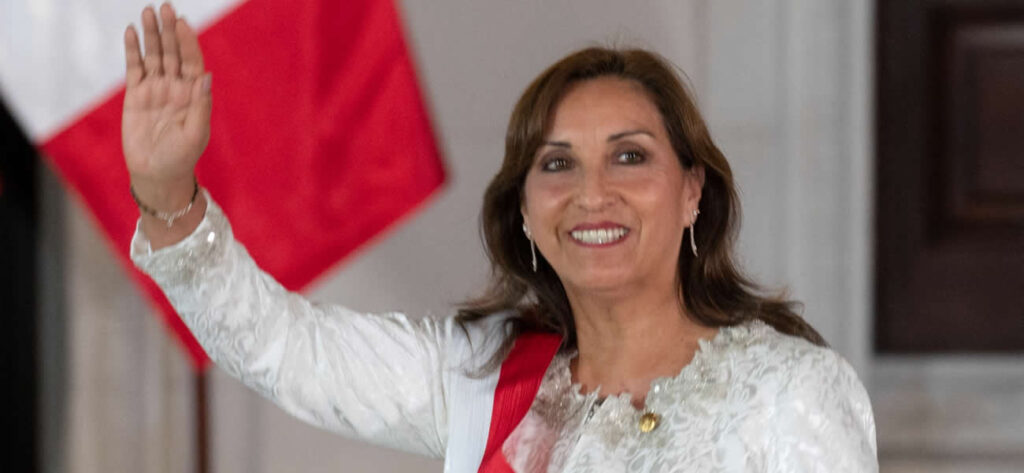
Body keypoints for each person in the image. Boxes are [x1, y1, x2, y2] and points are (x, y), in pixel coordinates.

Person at [123, 3, 877, 472]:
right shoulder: (486, 380)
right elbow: (280, 347)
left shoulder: (790, 391)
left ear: (692, 192)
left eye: (629, 156)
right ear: (524, 211)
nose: (591, 193)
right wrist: (167, 193)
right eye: (557, 163)